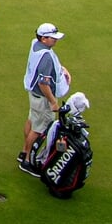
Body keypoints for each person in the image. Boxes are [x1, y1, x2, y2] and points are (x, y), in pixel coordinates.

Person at [20, 23, 70, 171]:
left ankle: (24, 152)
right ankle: (27, 160)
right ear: (43, 38)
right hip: (42, 99)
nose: (55, 40)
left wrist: (61, 69)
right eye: (52, 38)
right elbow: (44, 84)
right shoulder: (46, 57)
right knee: (39, 129)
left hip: (33, 95)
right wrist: (53, 102)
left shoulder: (35, 44)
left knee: (32, 120)